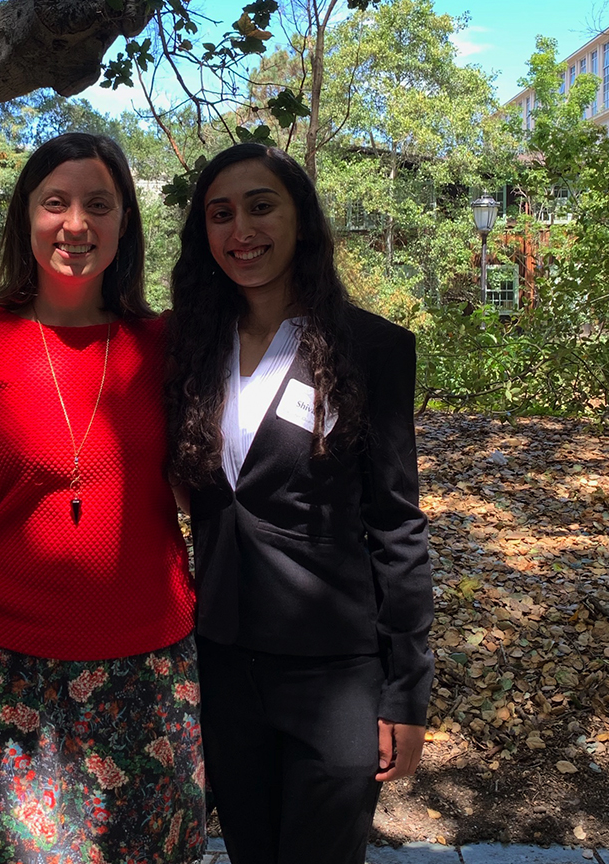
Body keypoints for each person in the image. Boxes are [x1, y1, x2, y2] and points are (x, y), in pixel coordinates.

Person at [0, 133, 206, 864]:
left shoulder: (167, 347)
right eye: (56, 203)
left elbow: (206, 500)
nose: (77, 224)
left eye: (99, 204)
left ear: (125, 220)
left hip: (152, 677)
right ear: (25, 217)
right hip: (6, 678)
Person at [166, 142, 434, 864]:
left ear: (301, 220)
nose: (240, 230)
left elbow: (397, 524)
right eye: (220, 214)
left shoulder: (371, 348)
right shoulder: (188, 347)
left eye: (261, 206)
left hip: (335, 673)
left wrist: (407, 689)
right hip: (222, 664)